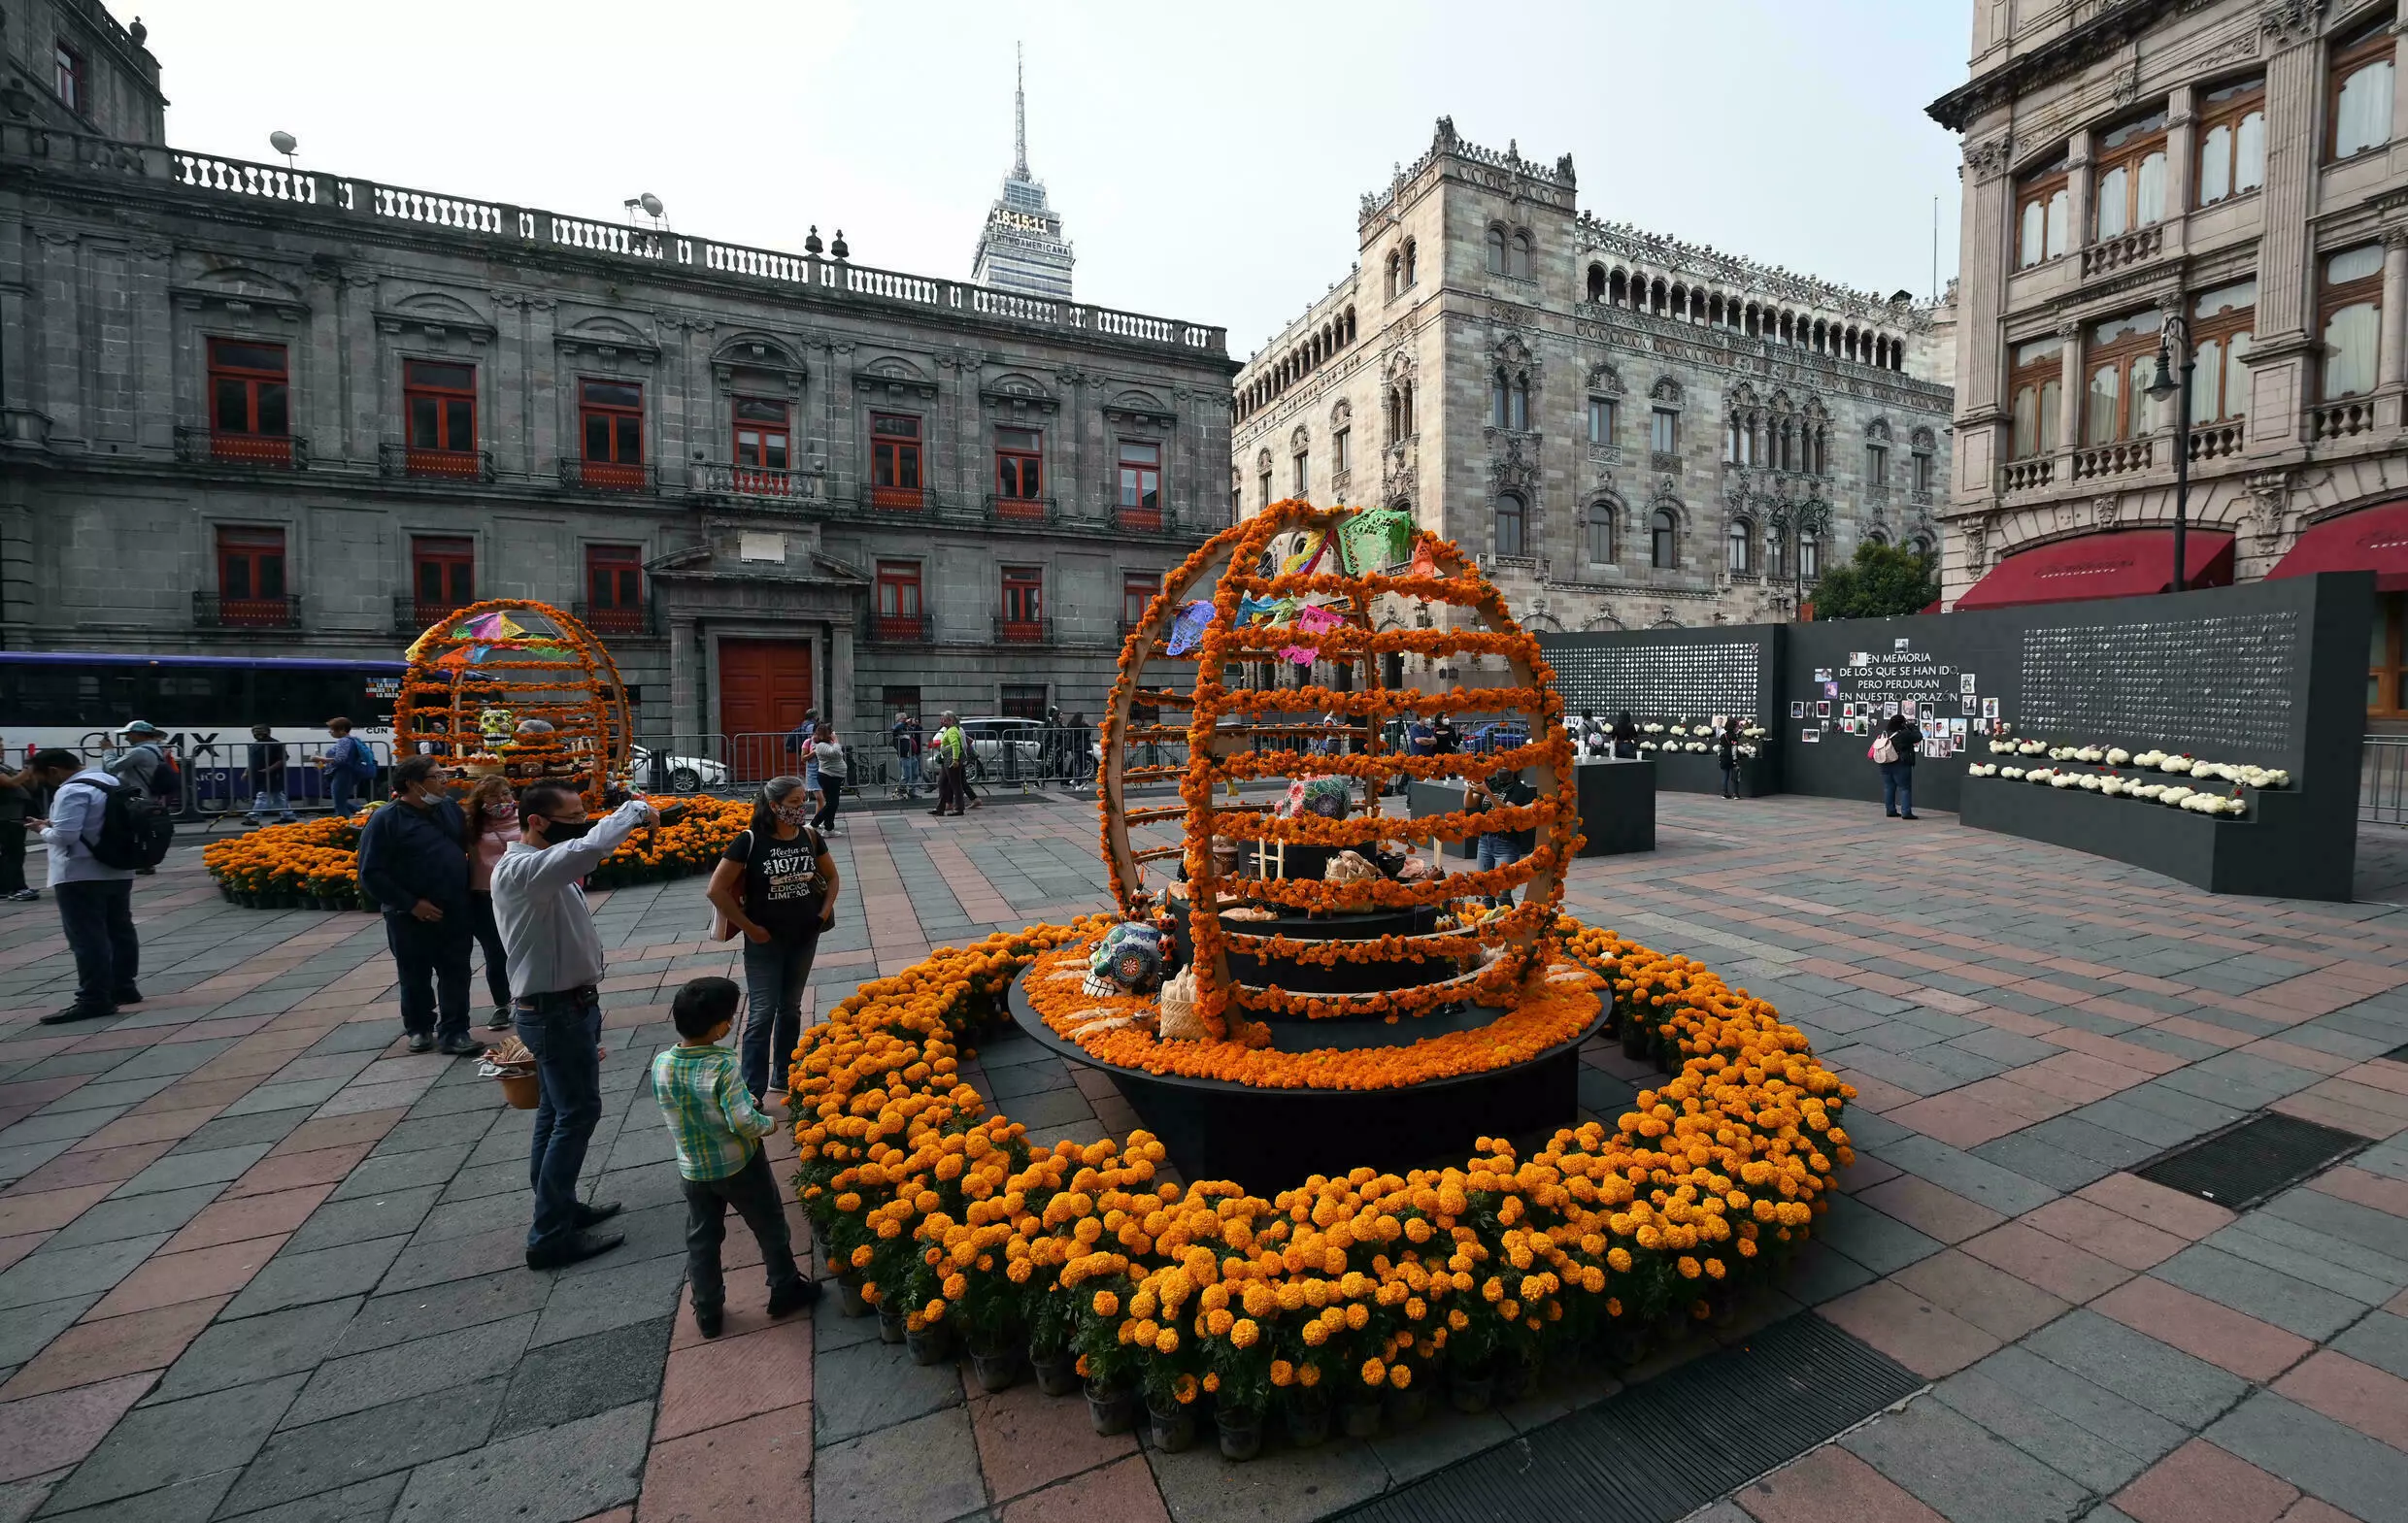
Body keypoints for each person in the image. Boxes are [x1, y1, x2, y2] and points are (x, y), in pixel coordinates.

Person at [492, 782, 658, 1271]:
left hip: (568, 1007)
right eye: (572, 814)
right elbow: (588, 850)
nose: (582, 820)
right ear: (537, 821)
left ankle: (558, 1208)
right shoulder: (525, 869)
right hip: (554, 1012)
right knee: (575, 1115)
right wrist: (631, 811)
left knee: (556, 1113)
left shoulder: (542, 866)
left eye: (585, 811)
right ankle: (548, 1235)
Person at [653, 977, 818, 1337]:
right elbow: (742, 1120)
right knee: (769, 1223)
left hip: (693, 1168)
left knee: (702, 1237)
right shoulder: (722, 1066)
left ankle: (708, 1309)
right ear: (722, 1026)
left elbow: (677, 1106)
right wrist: (767, 1124)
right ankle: (784, 1286)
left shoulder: (662, 1064)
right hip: (739, 1164)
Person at [706, 777, 839, 1102]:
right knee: (762, 1012)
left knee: (790, 1008)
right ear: (775, 805)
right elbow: (716, 890)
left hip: (805, 936)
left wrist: (821, 915)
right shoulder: (749, 841)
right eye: (794, 803)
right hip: (765, 940)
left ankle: (785, 1074)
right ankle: (752, 1090)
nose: (801, 808)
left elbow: (832, 877)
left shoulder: (809, 836)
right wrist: (750, 928)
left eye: (802, 801)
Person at [356, 756, 483, 1056]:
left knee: (456, 971)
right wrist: (411, 903)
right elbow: (370, 873)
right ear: (413, 784)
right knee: (414, 973)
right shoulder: (387, 819)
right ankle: (419, 1028)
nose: (444, 781)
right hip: (409, 914)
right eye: (437, 777)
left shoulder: (449, 809)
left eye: (443, 776)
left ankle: (455, 1031)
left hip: (453, 907)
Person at [23, 749, 139, 1023]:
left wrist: (42, 829)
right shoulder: (111, 782)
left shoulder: (72, 790)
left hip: (80, 872)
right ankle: (124, 987)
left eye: (42, 777)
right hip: (118, 868)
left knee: (87, 937)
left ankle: (93, 998)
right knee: (120, 929)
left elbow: (66, 836)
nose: (45, 784)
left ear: (53, 770)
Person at [461, 775, 520, 1029]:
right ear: (481, 800)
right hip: (484, 895)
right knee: (495, 953)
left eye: (506, 793)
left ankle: (528, 999)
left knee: (523, 949)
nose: (502, 800)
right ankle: (501, 1004)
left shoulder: (525, 817)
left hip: (519, 894)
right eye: (494, 796)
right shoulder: (471, 824)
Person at [1466, 767, 1538, 909]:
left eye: (1506, 766)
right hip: (1485, 841)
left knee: (1502, 894)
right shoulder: (1491, 783)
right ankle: (1487, 926)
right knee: (1485, 891)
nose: (1500, 770)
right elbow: (1469, 804)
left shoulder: (1519, 789)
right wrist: (1470, 788)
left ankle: (1512, 925)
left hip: (1506, 844)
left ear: (1514, 770)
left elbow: (1506, 813)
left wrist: (1487, 792)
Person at [0, 743, 39, 902]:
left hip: (16, 815)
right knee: (12, 853)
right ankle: (14, 888)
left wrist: (30, 772)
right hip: (5, 816)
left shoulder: (4, 766)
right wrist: (27, 770)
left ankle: (12, 886)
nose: (2, 750)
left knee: (15, 852)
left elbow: (30, 785)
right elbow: (11, 783)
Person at [318, 718, 374, 815]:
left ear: (342, 729)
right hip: (347, 773)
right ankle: (367, 814)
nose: (329, 731)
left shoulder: (343, 741)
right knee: (341, 801)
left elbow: (340, 759)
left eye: (332, 729)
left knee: (339, 804)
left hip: (342, 774)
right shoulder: (353, 740)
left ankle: (345, 825)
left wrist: (320, 759)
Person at [245, 724, 298, 824]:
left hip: (274, 774)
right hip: (261, 775)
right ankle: (288, 816)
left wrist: (269, 769)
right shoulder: (255, 745)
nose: (257, 733)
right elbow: (252, 761)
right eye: (254, 731)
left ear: (268, 732)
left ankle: (254, 817)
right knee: (278, 796)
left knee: (262, 795)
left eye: (259, 731)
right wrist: (246, 772)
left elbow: (283, 759)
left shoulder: (275, 744)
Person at [1876, 712, 1923, 820]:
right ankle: (1906, 812)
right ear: (1901, 723)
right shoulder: (1903, 734)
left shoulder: (1885, 733)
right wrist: (1913, 727)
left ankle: (1890, 810)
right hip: (1900, 764)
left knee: (1889, 788)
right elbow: (1918, 737)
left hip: (1884, 763)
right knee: (1905, 788)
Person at [810, 724, 847, 834]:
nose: (833, 733)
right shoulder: (821, 745)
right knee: (832, 804)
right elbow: (837, 753)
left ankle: (828, 828)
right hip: (829, 777)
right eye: (831, 732)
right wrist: (836, 740)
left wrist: (834, 742)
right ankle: (814, 824)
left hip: (834, 777)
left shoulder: (827, 744)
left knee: (832, 804)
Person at [931, 712, 969, 817]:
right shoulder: (948, 730)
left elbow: (956, 744)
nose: (941, 721)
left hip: (951, 760)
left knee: (955, 784)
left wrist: (955, 759)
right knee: (942, 783)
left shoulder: (952, 730)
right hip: (946, 760)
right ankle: (940, 808)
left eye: (943, 719)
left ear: (950, 720)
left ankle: (959, 808)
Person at [891, 709, 924, 800]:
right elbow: (895, 728)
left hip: (912, 754)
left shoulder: (907, 728)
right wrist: (904, 722)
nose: (907, 720)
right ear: (899, 720)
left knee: (915, 774)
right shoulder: (897, 729)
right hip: (904, 755)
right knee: (906, 775)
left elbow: (918, 731)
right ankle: (899, 792)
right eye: (904, 719)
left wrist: (916, 724)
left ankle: (912, 792)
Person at [1717, 716, 1745, 800]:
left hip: (1723, 757)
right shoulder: (1734, 736)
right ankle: (1735, 794)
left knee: (1725, 776)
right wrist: (1735, 760)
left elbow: (1719, 748)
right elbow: (1734, 749)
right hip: (1731, 758)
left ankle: (1724, 793)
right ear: (1733, 727)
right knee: (1734, 776)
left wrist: (1719, 757)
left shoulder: (1722, 736)